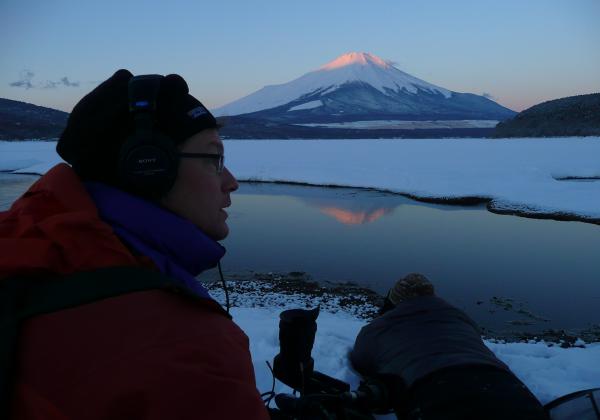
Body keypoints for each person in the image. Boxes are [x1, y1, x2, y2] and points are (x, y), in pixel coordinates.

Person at [1, 70, 270, 419]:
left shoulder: (27, 244)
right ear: (149, 168)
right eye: (213, 159)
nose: (231, 182)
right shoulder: (188, 352)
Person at [351, 273, 549, 419]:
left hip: (432, 389)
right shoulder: (460, 318)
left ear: (393, 301)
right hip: (505, 386)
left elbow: (361, 359)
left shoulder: (379, 328)